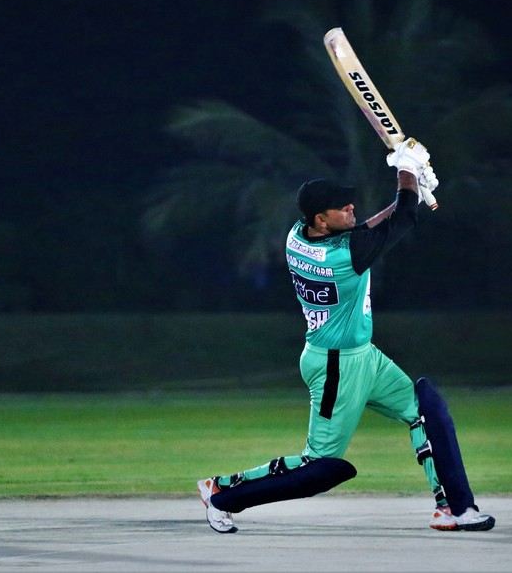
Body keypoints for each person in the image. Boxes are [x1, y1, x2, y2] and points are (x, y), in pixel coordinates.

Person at [197, 138, 495, 533]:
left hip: (362, 355)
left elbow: (374, 227)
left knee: (426, 410)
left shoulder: (298, 236)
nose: (352, 207)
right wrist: (406, 172)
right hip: (336, 366)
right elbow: (399, 223)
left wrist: (412, 188)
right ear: (322, 219)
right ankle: (222, 494)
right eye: (342, 207)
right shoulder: (343, 257)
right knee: (319, 467)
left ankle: (453, 508)